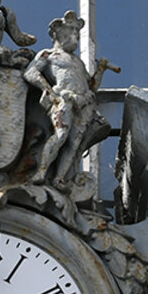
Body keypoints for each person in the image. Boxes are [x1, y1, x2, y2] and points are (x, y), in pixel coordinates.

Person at [23, 11, 113, 185]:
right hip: (64, 99)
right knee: (61, 135)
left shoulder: (78, 62)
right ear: (59, 33)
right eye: (71, 32)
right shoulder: (48, 55)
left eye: (76, 33)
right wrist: (47, 90)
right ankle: (41, 172)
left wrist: (100, 69)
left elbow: (91, 86)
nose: (75, 36)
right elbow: (30, 72)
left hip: (84, 103)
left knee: (75, 142)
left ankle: (60, 177)